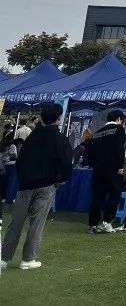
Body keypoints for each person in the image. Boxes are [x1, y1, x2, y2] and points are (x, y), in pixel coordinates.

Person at [0, 102, 72, 271]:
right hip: (47, 184)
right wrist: (62, 179)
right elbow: (66, 163)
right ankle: (28, 259)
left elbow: (20, 161)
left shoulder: (32, 137)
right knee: (36, 223)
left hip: (25, 185)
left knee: (16, 223)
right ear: (58, 118)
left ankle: (3, 258)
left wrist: (23, 178)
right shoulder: (60, 139)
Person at [85, 110, 126, 234]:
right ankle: (106, 222)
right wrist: (120, 165)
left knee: (97, 197)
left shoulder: (98, 133)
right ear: (119, 119)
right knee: (115, 195)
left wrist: (93, 164)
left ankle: (93, 223)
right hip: (112, 169)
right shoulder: (119, 129)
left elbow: (89, 150)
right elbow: (119, 148)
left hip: (98, 169)